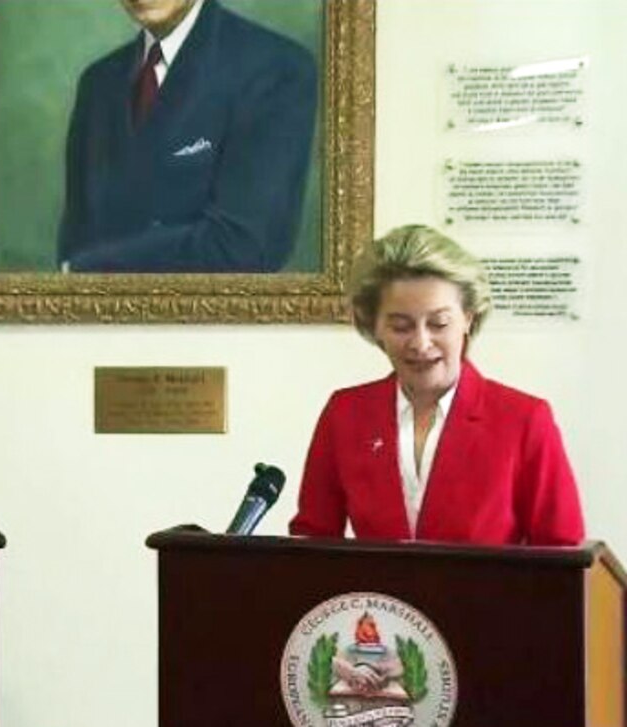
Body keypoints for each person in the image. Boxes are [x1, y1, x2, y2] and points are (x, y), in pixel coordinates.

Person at [289, 224, 584, 545]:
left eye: (438, 323)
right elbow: (313, 540)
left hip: (489, 596)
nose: (420, 342)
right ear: (375, 326)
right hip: (378, 595)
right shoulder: (345, 413)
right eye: (401, 326)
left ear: (468, 318)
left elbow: (563, 553)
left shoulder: (524, 419)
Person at [57, 0, 317, 273]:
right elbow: (76, 242)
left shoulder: (277, 69)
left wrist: (86, 269)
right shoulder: (98, 83)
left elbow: (245, 247)